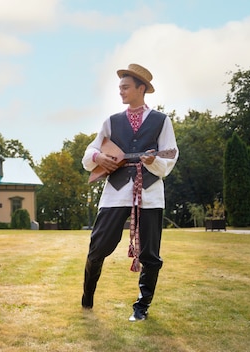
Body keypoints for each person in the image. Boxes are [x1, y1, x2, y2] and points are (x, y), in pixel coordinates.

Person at [81, 64, 179, 322]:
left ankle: (141, 307)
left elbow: (170, 156)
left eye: (125, 87)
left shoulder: (161, 121)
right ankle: (87, 297)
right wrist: (100, 156)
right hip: (115, 192)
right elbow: (88, 154)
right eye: (120, 87)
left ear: (141, 88)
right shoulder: (111, 122)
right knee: (97, 249)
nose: (121, 91)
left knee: (150, 254)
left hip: (149, 194)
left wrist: (152, 162)